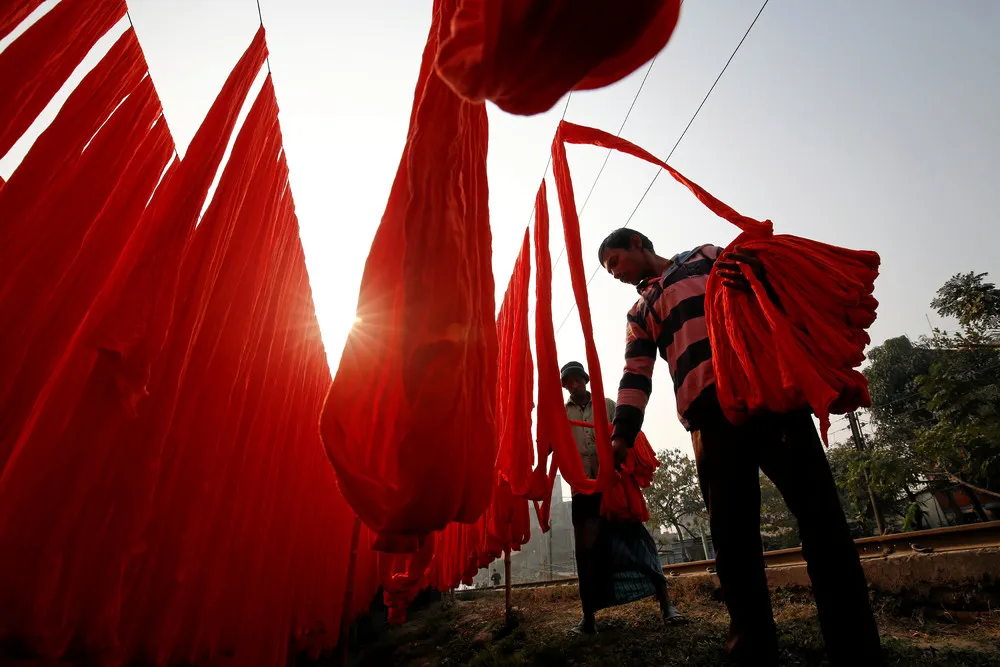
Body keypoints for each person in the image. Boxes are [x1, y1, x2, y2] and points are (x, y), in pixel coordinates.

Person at [597, 228, 882, 666]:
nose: (613, 273)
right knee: (732, 541)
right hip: (708, 419)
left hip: (767, 392)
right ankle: (752, 651)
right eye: (608, 269)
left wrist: (752, 274)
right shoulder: (641, 311)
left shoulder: (707, 257)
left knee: (821, 517)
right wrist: (622, 436)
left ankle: (856, 647)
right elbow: (636, 375)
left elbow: (764, 280)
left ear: (637, 244)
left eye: (614, 261)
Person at [560, 360, 684, 635]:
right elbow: (549, 447)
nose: (573, 384)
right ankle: (588, 618)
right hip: (583, 490)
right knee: (587, 552)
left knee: (637, 541)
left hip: (613, 484)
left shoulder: (607, 405)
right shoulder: (559, 414)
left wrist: (620, 466)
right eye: (568, 381)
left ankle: (667, 605)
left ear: (585, 379)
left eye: (577, 378)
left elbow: (627, 435)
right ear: (565, 386)